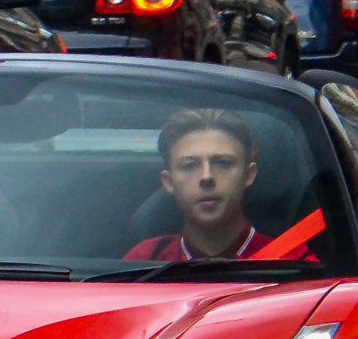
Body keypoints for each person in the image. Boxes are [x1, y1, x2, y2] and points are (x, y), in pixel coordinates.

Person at [123, 110, 316, 262]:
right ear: (169, 182)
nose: (206, 177)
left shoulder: (293, 261)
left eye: (223, 163)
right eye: (189, 166)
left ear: (248, 175)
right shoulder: (145, 261)